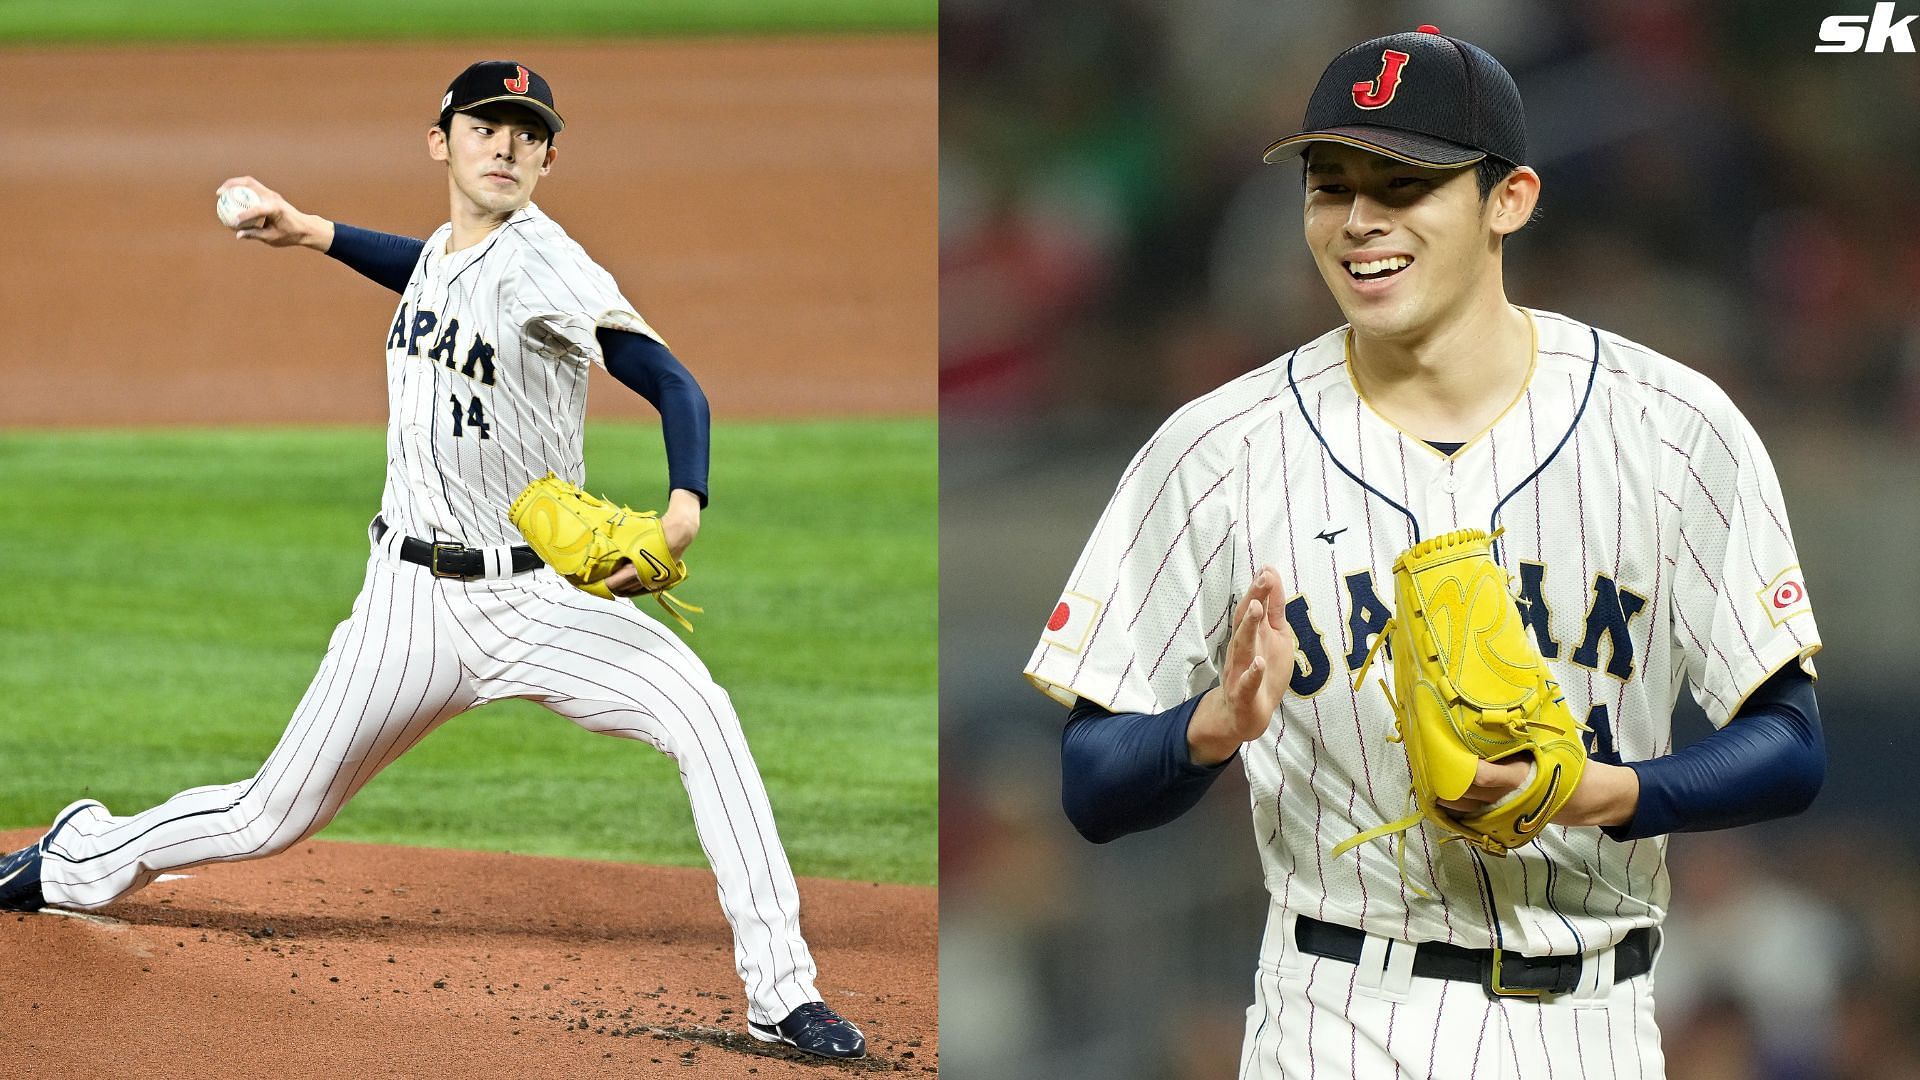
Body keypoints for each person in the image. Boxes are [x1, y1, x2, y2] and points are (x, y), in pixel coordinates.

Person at [0, 59, 864, 1060]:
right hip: (406, 608)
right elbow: (430, 265)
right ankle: (77, 858)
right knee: (266, 815)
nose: (505, 145)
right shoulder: (450, 255)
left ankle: (781, 993)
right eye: (486, 126)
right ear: (440, 141)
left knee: (701, 714)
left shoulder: (551, 263)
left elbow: (673, 381)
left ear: (547, 157)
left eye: (527, 133)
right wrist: (316, 233)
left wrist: (683, 507)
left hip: (540, 605)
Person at [1024, 26, 1824, 1078]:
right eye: (1331, 185)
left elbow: (1790, 744)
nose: (1359, 222)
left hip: (1602, 1022)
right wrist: (1209, 727)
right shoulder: (1216, 450)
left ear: (1510, 199)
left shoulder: (1673, 425)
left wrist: (1605, 792)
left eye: (1404, 187)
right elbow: (1091, 783)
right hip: (1338, 1014)